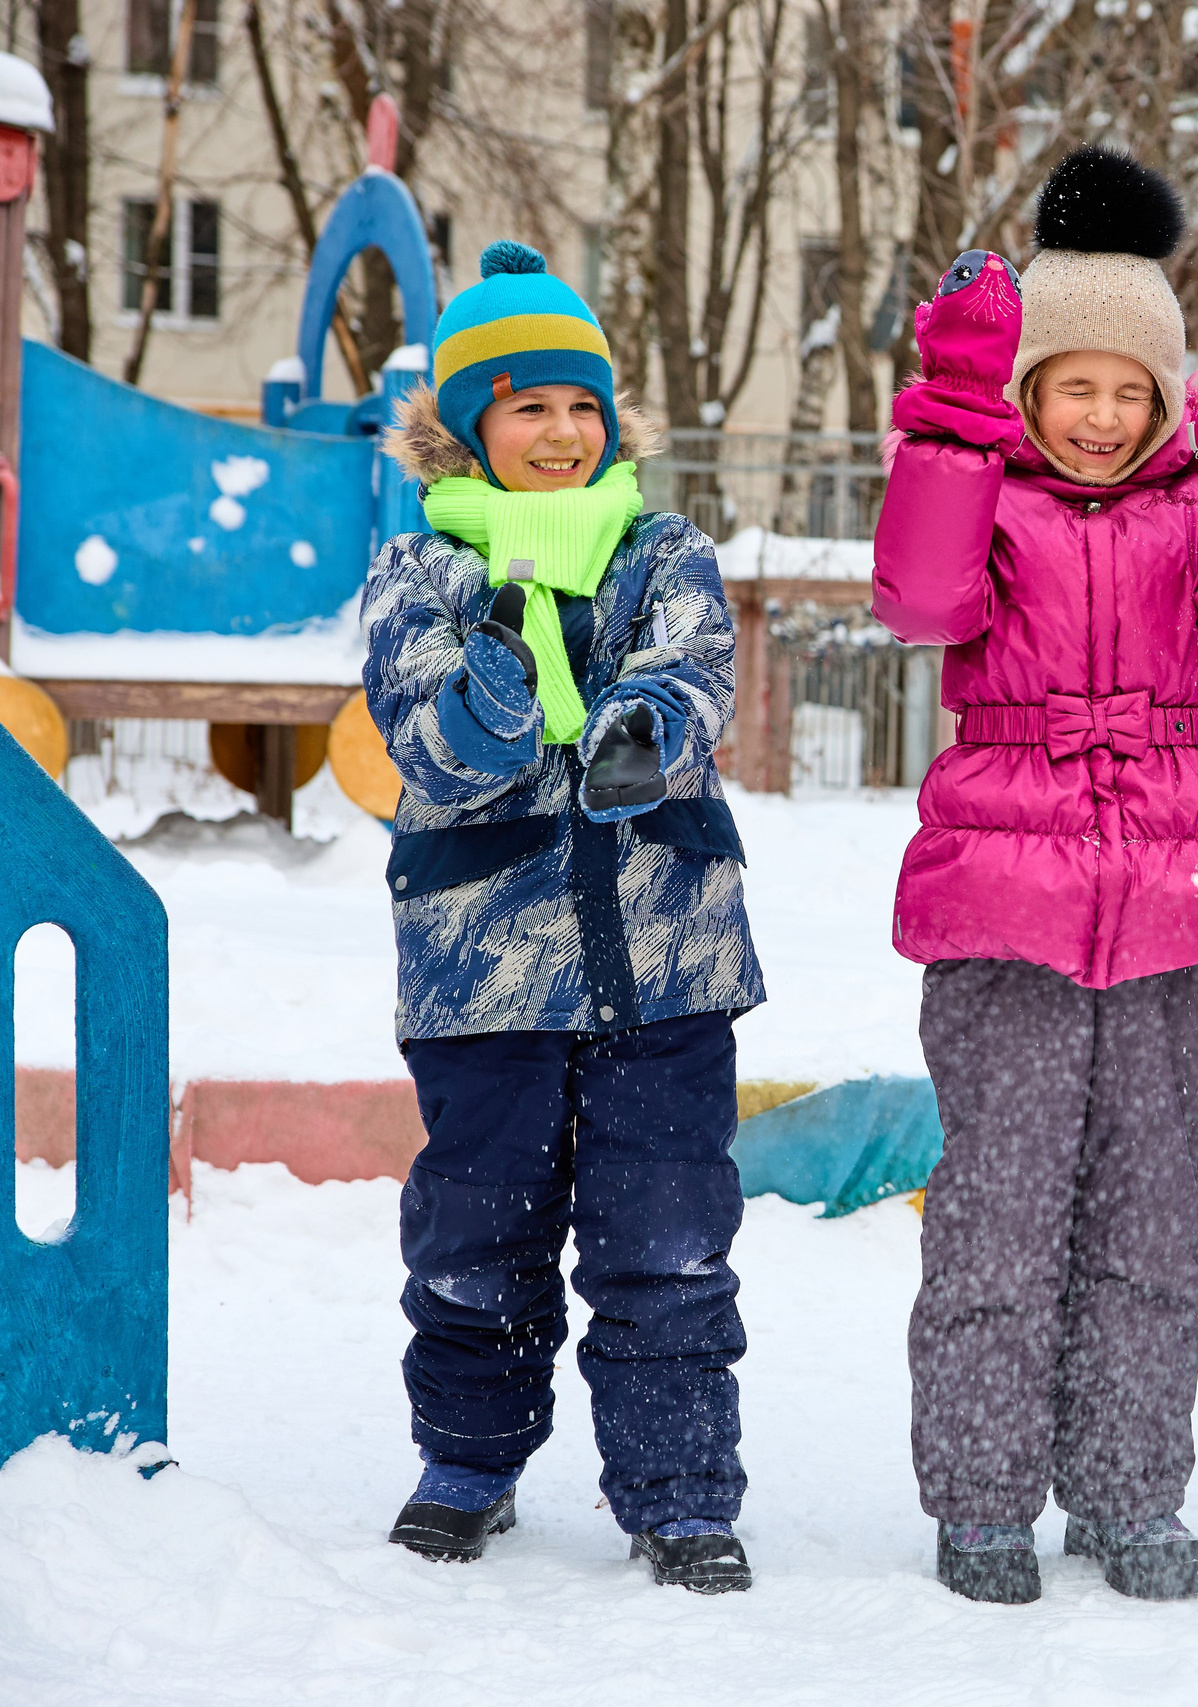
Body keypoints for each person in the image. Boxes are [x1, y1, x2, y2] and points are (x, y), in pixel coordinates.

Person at [870, 146, 1198, 1606]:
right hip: (1006, 904)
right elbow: (918, 597)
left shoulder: (1196, 502)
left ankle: (1131, 1495)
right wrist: (951, 407)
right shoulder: (982, 489)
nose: (1103, 416)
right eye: (1074, 386)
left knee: (1150, 1229)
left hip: (1174, 906)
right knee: (998, 1222)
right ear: (1027, 389)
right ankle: (983, 1502)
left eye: (1133, 390)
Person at [364, 240, 763, 1594]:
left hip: (667, 961)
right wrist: (487, 700)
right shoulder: (423, 568)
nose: (562, 432)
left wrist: (644, 724)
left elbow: (695, 667)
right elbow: (425, 739)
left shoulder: (662, 551)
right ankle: (467, 1459)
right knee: (476, 1231)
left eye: (583, 405)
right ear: (468, 427)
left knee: (669, 1233)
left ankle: (681, 1488)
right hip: (484, 970)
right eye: (529, 405)